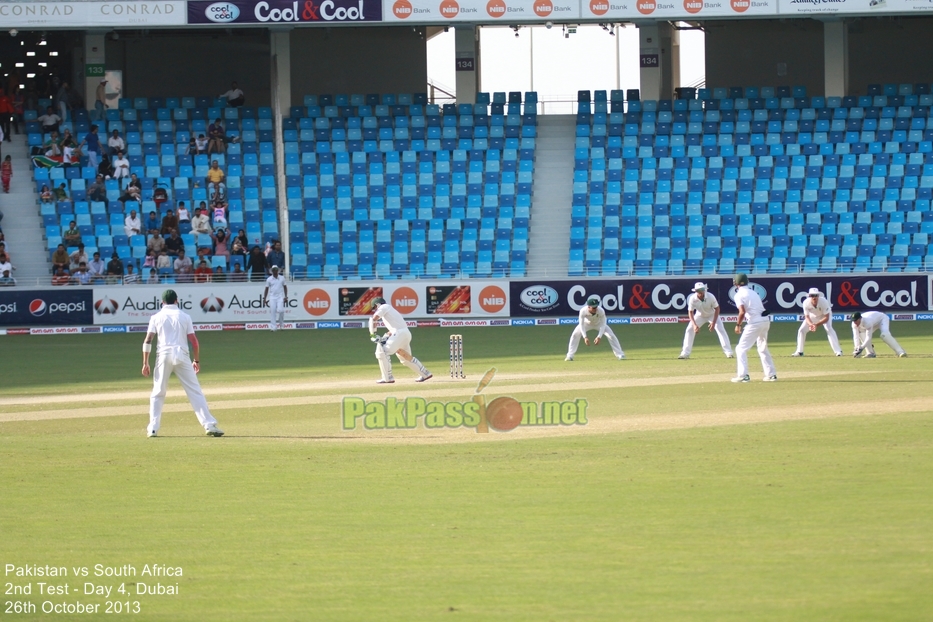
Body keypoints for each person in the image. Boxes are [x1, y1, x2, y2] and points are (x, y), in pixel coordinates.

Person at [141, 289, 224, 438]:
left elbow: (148, 340)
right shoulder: (185, 316)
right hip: (182, 355)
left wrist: (145, 362)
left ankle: (153, 428)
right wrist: (196, 360)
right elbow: (194, 341)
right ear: (177, 301)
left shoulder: (156, 317)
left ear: (162, 302)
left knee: (158, 392)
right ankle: (209, 425)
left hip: (163, 356)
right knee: (194, 390)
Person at [368, 296, 432, 384]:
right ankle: (425, 373)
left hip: (399, 334)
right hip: (405, 333)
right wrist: (385, 336)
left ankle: (388, 378)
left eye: (375, 307)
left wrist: (373, 334)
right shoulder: (390, 311)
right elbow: (393, 329)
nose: (375, 309)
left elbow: (374, 318)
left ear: (377, 304)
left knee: (382, 352)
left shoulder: (384, 307)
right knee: (405, 358)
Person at [731, 273, 777, 383]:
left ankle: (743, 375)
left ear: (736, 283)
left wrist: (738, 325)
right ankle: (771, 375)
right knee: (762, 348)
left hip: (755, 323)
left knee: (740, 348)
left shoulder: (738, 295)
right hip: (765, 321)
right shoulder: (754, 292)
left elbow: (742, 312)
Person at [679, 282, 733, 360]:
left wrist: (714, 323)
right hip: (699, 315)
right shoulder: (692, 298)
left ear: (704, 290)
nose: (701, 292)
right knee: (689, 329)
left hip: (712, 315)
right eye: (699, 290)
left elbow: (717, 309)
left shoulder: (710, 296)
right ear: (696, 291)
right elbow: (690, 312)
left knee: (721, 329)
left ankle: (729, 352)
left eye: (702, 290)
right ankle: (685, 353)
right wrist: (694, 325)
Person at [565, 297, 625, 361]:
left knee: (611, 335)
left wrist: (599, 337)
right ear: (588, 307)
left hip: (598, 324)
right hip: (586, 324)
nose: (595, 309)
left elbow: (603, 324)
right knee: (575, 334)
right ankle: (570, 356)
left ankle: (620, 354)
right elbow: (581, 324)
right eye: (593, 308)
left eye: (596, 307)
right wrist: (585, 337)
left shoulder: (601, 311)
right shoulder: (583, 311)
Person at [793, 288, 843, 357]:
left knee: (828, 328)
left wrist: (816, 325)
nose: (814, 297)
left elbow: (826, 317)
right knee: (801, 330)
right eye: (812, 295)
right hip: (813, 316)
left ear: (818, 296)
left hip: (824, 315)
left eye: (816, 295)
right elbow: (807, 317)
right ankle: (799, 352)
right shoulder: (806, 303)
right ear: (809, 296)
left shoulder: (824, 302)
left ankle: (838, 351)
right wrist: (811, 325)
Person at [263, 265, 287, 331]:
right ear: (272, 271)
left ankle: (282, 325)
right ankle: (273, 327)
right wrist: (264, 298)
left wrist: (286, 296)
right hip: (272, 297)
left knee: (281, 310)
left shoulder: (282, 278)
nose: (275, 271)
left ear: (277, 270)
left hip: (280, 297)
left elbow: (285, 287)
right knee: (273, 312)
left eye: (276, 270)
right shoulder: (269, 279)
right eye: (274, 270)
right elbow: (266, 289)